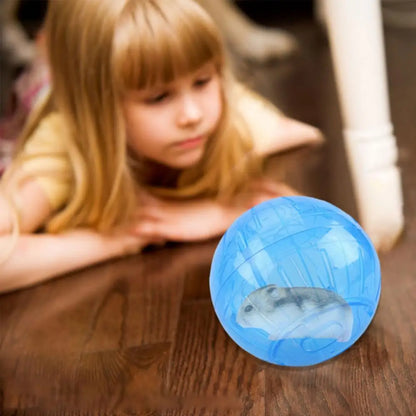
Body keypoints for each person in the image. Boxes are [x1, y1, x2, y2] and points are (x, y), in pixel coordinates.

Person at [0, 0, 322, 293]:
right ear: (100, 109)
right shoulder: (64, 145)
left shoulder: (226, 107)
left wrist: (218, 213)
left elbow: (301, 140)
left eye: (203, 81)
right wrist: (118, 239)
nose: (193, 115)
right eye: (158, 97)